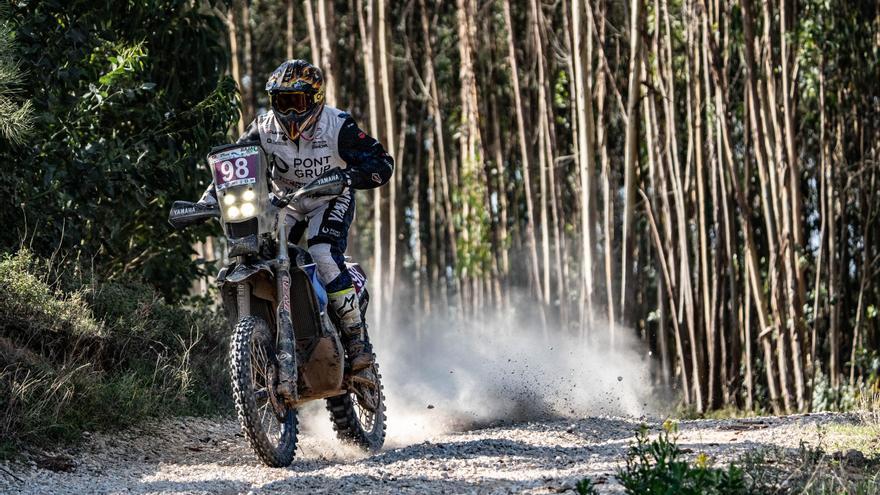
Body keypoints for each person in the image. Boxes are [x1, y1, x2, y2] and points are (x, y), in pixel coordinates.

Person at [198, 59, 393, 371]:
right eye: (281, 101)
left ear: (314, 100)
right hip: (285, 202)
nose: (288, 111)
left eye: (295, 101)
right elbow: (233, 168)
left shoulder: (337, 125)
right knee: (260, 253)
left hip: (329, 197)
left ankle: (356, 338)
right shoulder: (262, 129)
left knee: (322, 251)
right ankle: (282, 333)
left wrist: (347, 177)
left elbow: (382, 163)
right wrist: (208, 199)